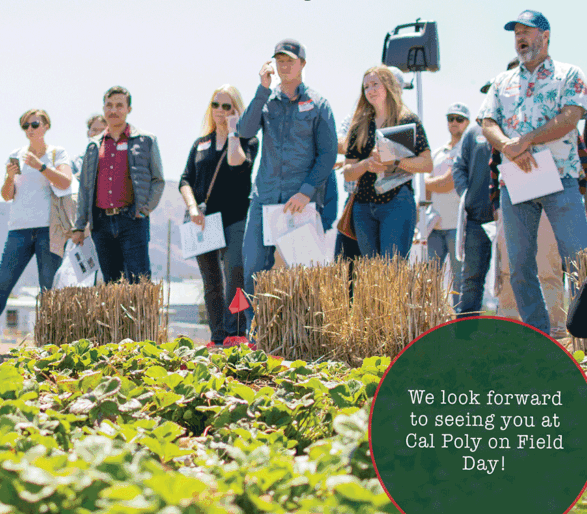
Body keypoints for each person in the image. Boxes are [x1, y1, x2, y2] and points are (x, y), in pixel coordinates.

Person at [479, 10, 587, 335]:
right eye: (516, 33)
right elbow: (487, 122)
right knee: (520, 268)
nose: (520, 38)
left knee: (579, 261)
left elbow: (571, 116)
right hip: (516, 181)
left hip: (561, 178)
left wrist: (526, 140)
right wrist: (508, 147)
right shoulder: (502, 81)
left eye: (527, 31)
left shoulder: (569, 74)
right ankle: (539, 335)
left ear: (546, 36)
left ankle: (582, 335)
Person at [235, 40, 337, 340]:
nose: (284, 66)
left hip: (299, 203)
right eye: (279, 60)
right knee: (253, 267)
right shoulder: (267, 99)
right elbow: (244, 131)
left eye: (290, 60)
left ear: (302, 64)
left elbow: (328, 154)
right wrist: (262, 89)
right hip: (264, 198)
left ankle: (306, 338)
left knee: (302, 272)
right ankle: (257, 337)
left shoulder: (318, 104)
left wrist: (307, 191)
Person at [179, 85, 258, 348]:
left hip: (235, 217)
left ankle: (236, 330)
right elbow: (185, 179)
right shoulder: (200, 143)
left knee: (235, 271)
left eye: (227, 106)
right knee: (211, 279)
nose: (220, 111)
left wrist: (234, 131)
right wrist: (192, 208)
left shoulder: (248, 141)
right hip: (203, 221)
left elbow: (237, 163)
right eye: (216, 105)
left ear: (237, 110)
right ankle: (217, 335)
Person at [0, 110, 74, 337]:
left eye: (34, 124)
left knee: (49, 290)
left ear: (46, 125)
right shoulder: (15, 154)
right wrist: (8, 178)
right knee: (1, 285)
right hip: (18, 230)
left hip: (49, 230)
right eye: (25, 126)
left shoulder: (57, 152)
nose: (30, 129)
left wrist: (40, 166)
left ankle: (52, 341)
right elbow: (7, 195)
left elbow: (66, 182)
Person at [72, 87, 165, 283]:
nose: (113, 110)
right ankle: (117, 316)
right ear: (104, 108)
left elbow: (158, 180)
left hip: (133, 220)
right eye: (109, 105)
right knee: (111, 283)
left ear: (128, 108)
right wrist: (79, 226)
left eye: (119, 106)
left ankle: (141, 315)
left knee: (139, 282)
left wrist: (145, 209)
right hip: (101, 224)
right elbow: (85, 189)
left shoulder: (146, 140)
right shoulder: (93, 145)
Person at [343, 65, 432, 258]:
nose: (370, 90)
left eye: (375, 84)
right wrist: (366, 164)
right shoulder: (360, 124)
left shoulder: (407, 120)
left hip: (397, 202)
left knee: (393, 271)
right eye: (366, 87)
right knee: (372, 273)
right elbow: (348, 171)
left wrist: (395, 161)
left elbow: (426, 164)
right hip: (363, 205)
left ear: (388, 86)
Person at [425, 102, 471, 306]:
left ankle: (460, 325)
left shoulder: (467, 151)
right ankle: (432, 322)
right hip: (434, 224)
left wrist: (426, 181)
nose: (454, 122)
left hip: (458, 225)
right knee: (430, 279)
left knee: (459, 280)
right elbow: (427, 187)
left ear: (467, 123)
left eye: (459, 119)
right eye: (450, 118)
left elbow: (447, 182)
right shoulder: (437, 153)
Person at [452, 119, 494, 315]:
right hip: (477, 218)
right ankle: (466, 333)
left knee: (514, 274)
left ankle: (512, 330)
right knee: (471, 278)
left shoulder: (515, 125)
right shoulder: (472, 133)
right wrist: (467, 196)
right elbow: (458, 167)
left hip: (512, 215)